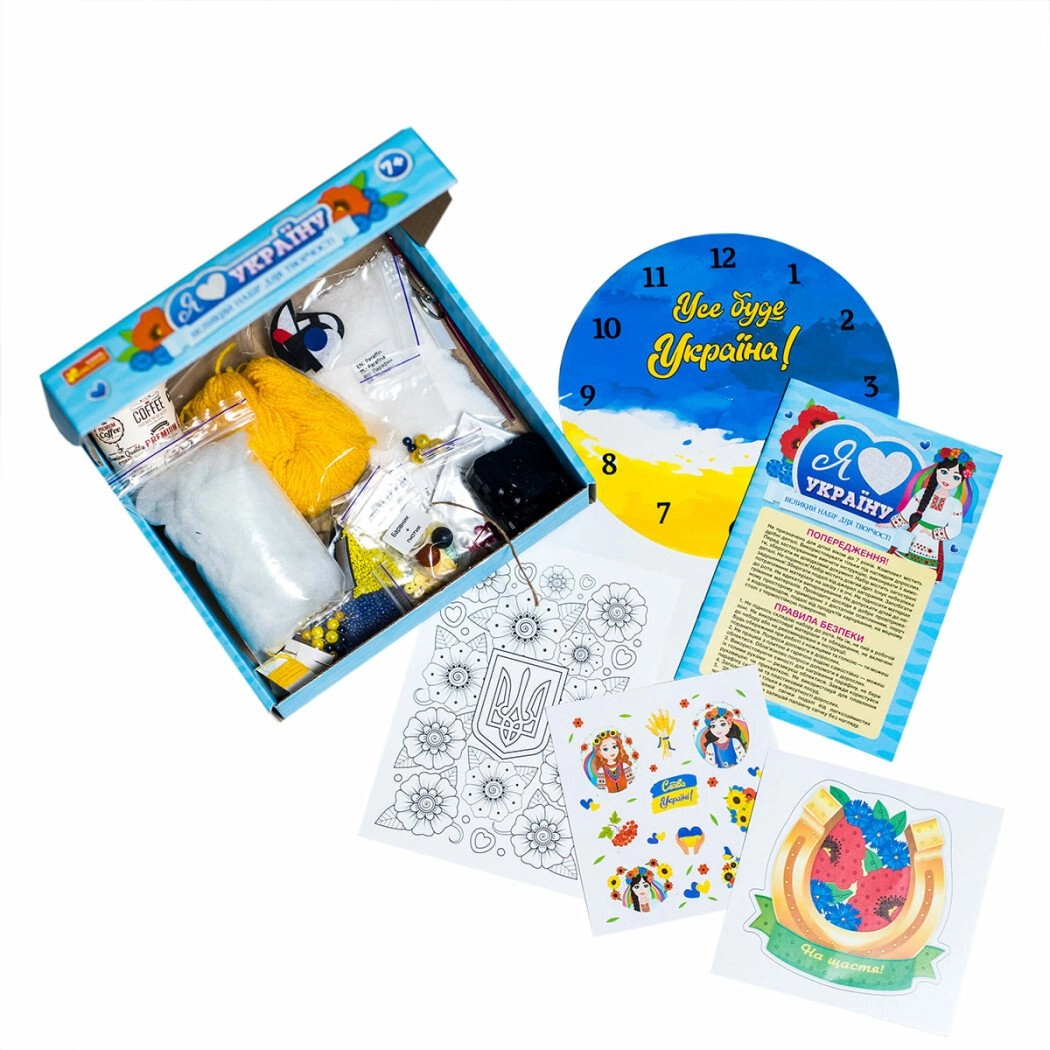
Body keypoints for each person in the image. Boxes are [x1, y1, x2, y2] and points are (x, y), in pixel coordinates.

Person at [890, 447, 976, 582]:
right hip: (913, 534)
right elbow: (907, 513)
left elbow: (955, 528)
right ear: (936, 471)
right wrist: (889, 524)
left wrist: (933, 533)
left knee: (920, 577)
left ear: (961, 481)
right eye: (944, 472)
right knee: (896, 567)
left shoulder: (955, 504)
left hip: (933, 542)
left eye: (955, 477)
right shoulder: (923, 493)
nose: (948, 479)